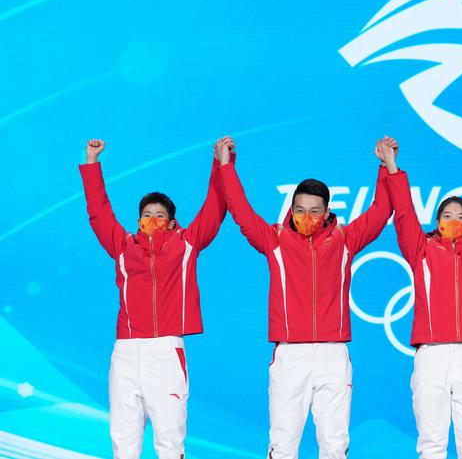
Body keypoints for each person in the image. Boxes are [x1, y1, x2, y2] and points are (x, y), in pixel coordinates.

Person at [214, 136, 392, 459]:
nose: (306, 216)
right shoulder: (275, 240)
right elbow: (240, 211)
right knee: (282, 447)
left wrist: (386, 165)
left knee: (335, 447)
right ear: (291, 209)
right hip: (290, 355)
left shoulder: (345, 240)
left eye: (313, 211)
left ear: (326, 212)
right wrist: (226, 167)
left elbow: (381, 212)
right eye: (299, 210)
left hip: (333, 355)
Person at [79, 138, 231, 459]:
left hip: (165, 353)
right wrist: (92, 163)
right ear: (138, 221)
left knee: (169, 443)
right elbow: (99, 213)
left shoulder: (186, 244)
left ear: (172, 222)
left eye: (159, 215)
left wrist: (221, 165)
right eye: (146, 214)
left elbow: (215, 209)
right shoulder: (123, 247)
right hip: (126, 352)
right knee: (124, 442)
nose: (152, 220)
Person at [379, 138, 462, 459]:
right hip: (431, 354)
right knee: (431, 443)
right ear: (437, 221)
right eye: (447, 214)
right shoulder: (420, 251)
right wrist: (392, 167)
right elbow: (404, 214)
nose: (454, 220)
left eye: (460, 216)